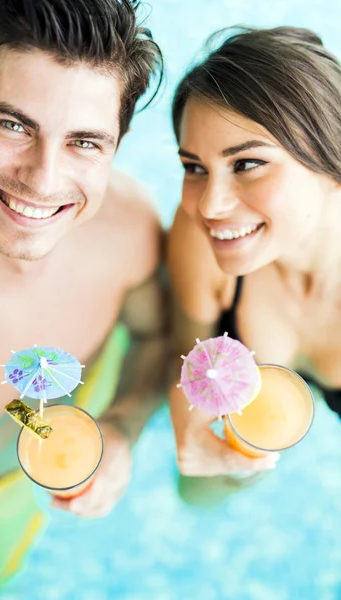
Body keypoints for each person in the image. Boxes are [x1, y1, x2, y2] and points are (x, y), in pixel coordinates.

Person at [0, 0, 166, 592]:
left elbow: (153, 335)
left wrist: (120, 424)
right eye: (13, 124)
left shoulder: (129, 225)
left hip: (82, 407)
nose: (42, 180)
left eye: (84, 142)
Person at [167, 26, 341, 498]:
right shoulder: (198, 239)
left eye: (246, 163)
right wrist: (198, 436)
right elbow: (187, 356)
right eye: (194, 168)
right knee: (199, 494)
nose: (208, 207)